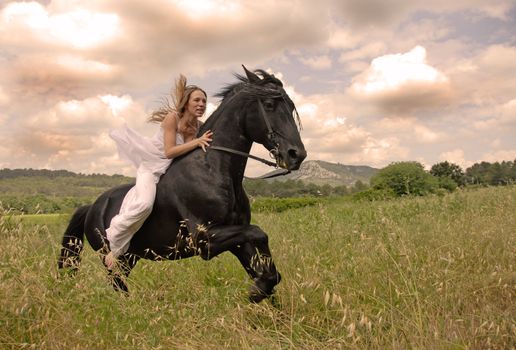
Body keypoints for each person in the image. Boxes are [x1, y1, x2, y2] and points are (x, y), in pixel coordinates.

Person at [104, 75, 213, 269]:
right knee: (145, 205)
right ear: (186, 102)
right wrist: (197, 141)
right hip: (153, 166)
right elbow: (169, 151)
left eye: (204, 100)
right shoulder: (172, 118)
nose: (201, 104)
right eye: (197, 99)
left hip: (174, 169)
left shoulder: (199, 127)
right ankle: (115, 245)